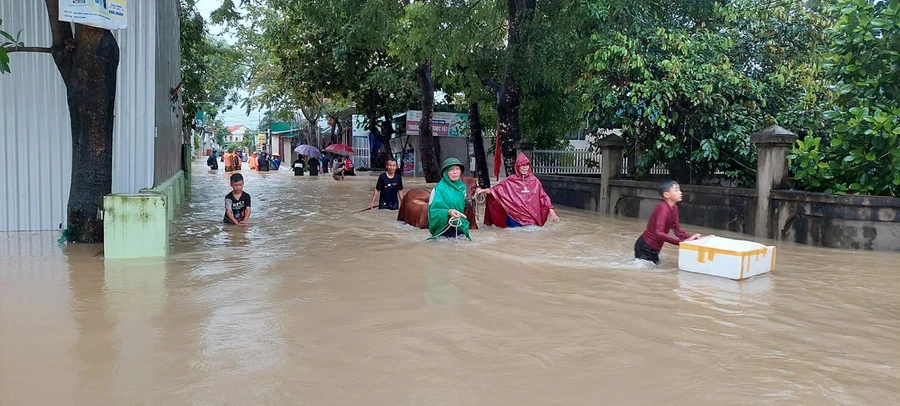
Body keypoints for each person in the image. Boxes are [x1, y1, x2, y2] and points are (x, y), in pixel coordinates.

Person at [476, 152, 559, 228]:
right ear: (517, 166)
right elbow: (496, 191)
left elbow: (543, 197)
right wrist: (482, 190)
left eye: (527, 165)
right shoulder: (510, 180)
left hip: (530, 218)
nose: (525, 167)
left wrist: (552, 212)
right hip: (513, 217)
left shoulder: (535, 181)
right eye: (522, 165)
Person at [634, 181, 704, 264]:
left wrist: (693, 238)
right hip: (645, 246)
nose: (680, 193)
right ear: (666, 195)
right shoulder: (663, 209)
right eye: (676, 190)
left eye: (679, 190)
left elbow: (678, 231)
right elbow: (659, 233)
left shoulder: (674, 208)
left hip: (653, 248)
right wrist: (680, 242)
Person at [427, 158, 472, 241]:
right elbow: (433, 212)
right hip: (443, 229)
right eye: (451, 170)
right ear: (445, 172)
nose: (455, 172)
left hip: (459, 226)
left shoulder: (462, 188)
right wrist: (449, 212)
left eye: (457, 169)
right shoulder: (438, 190)